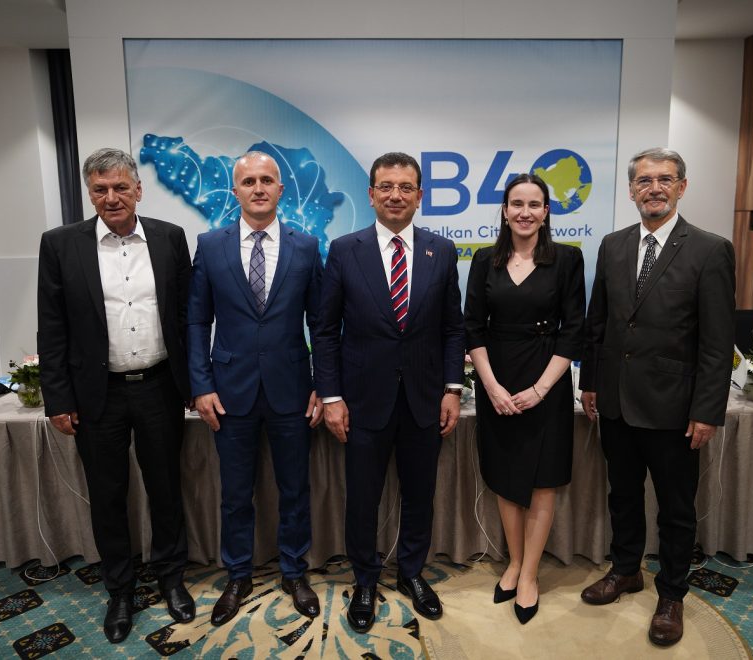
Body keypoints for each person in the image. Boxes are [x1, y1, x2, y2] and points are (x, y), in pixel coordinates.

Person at [38, 148, 195, 643]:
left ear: (138, 190)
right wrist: (57, 398)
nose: (111, 197)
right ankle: (121, 590)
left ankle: (171, 578)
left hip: (159, 387)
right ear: (90, 193)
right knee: (107, 496)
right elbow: (52, 327)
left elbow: (187, 317)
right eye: (100, 189)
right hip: (96, 395)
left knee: (165, 488)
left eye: (120, 187)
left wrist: (195, 383)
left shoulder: (170, 238)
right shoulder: (60, 244)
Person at [579, 148, 735, 646]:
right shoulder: (613, 245)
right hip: (617, 403)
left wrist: (707, 410)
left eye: (665, 179)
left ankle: (671, 595)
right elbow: (599, 322)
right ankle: (626, 570)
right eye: (644, 181)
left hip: (675, 408)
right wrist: (590, 382)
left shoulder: (710, 250)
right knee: (622, 496)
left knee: (675, 509)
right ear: (631, 190)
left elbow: (717, 342)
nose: (654, 188)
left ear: (682, 187)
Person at [312, 152, 465, 634]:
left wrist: (453, 389)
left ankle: (412, 573)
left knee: (420, 494)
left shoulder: (441, 251)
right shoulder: (344, 249)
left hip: (424, 399)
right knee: (363, 498)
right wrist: (331, 396)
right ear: (371, 194)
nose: (395, 195)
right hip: (362, 402)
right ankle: (365, 579)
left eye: (405, 187)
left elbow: (452, 329)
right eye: (386, 186)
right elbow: (325, 330)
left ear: (420, 196)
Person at [186, 151, 324, 626]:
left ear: (280, 190)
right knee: (235, 494)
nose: (259, 188)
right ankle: (238, 574)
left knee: (295, 490)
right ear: (236, 190)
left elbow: (321, 324)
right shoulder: (210, 245)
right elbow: (196, 320)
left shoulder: (307, 246)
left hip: (292, 389)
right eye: (249, 181)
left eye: (267, 180)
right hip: (229, 391)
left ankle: (294, 572)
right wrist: (201, 385)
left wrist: (323, 386)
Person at [463, 173, 585, 624]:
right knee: (505, 476)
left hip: (546, 382)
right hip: (496, 380)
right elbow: (472, 326)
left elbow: (574, 329)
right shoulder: (484, 259)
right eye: (517, 203)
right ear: (504, 210)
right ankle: (513, 563)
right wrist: (491, 387)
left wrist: (540, 389)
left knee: (542, 480)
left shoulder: (567, 258)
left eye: (535, 204)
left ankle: (530, 574)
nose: (525, 212)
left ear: (547, 212)